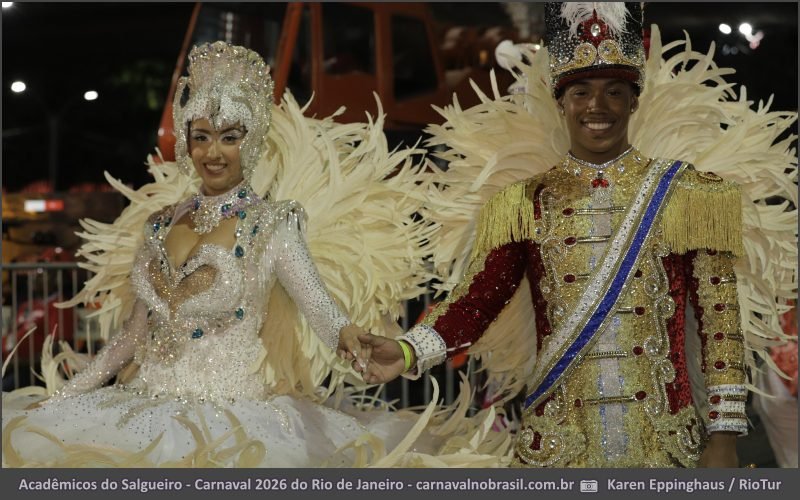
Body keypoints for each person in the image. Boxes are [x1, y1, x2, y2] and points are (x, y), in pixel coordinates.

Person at [1, 41, 489, 468]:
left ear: (251, 142)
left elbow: (317, 304)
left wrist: (348, 335)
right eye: (202, 136)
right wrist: (65, 398)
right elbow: (131, 337)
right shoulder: (158, 223)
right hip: (141, 409)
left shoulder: (272, 224)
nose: (215, 152)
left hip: (233, 424)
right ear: (187, 142)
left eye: (230, 137)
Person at [361, 2, 797, 468]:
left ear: (634, 100)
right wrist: (407, 351)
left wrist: (725, 437)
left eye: (614, 91)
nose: (597, 106)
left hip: (666, 445)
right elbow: (475, 305)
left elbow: (720, 324)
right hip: (559, 446)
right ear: (561, 101)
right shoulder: (522, 203)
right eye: (581, 91)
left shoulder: (689, 195)